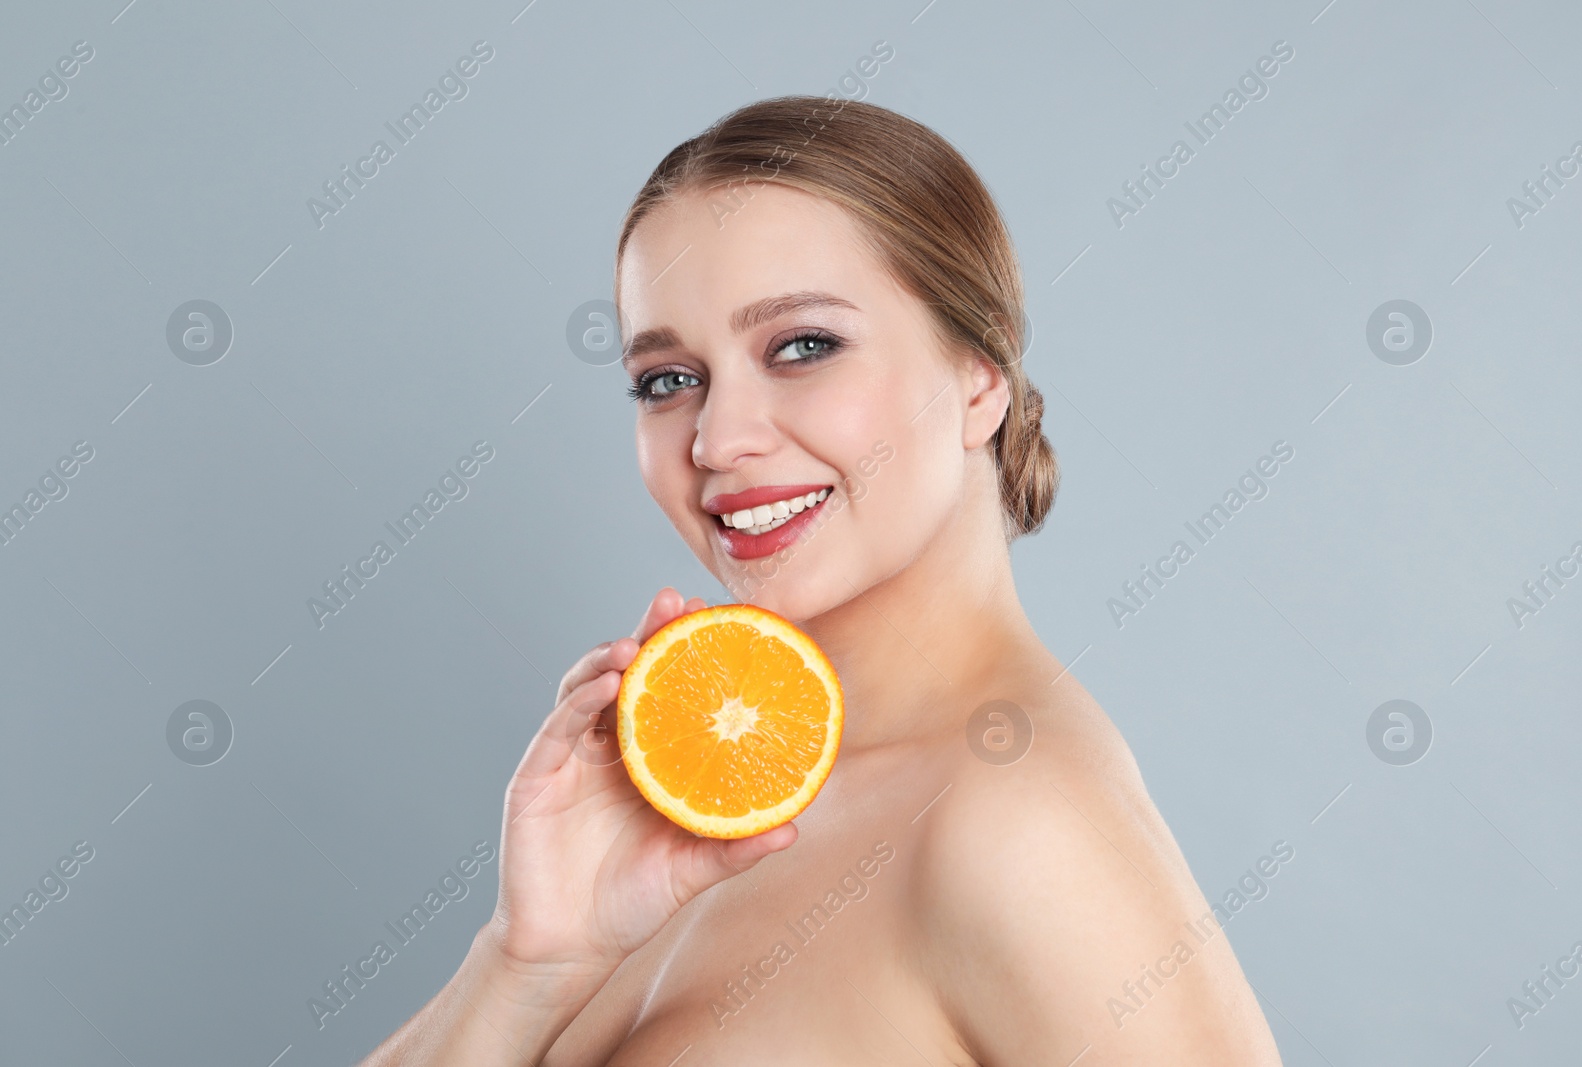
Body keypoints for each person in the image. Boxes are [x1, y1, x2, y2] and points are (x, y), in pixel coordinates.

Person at [361, 95, 1282, 1065]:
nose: (717, 439)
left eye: (802, 346)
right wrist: (529, 958)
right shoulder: (695, 797)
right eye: (667, 379)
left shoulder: (1018, 824)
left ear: (977, 379)